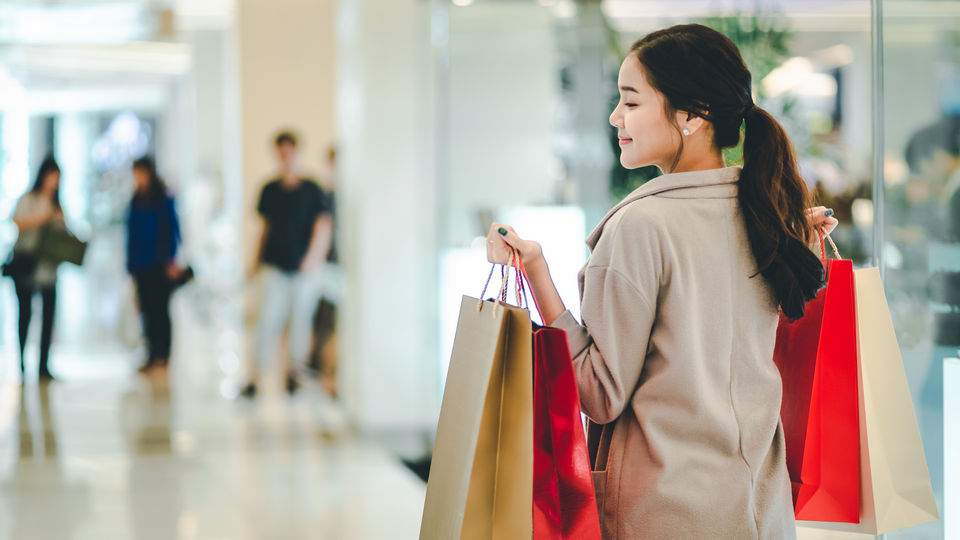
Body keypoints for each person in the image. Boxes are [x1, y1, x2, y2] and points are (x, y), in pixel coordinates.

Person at [487, 25, 838, 539]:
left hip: (663, 513)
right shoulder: (767, 216)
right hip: (760, 509)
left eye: (630, 101)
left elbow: (599, 393)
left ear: (692, 114)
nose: (615, 118)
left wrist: (537, 275)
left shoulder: (640, 227)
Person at [242, 131, 333, 398]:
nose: (286, 156)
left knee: (300, 321)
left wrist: (313, 258)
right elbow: (263, 229)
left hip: (304, 269)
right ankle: (255, 376)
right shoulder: (269, 190)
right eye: (281, 151)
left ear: (296, 152)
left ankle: (294, 373)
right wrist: (253, 262)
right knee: (268, 319)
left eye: (289, 151)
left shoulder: (311, 189)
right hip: (274, 265)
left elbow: (323, 226)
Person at [9, 156, 67, 382]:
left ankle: (44, 365)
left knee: (48, 317)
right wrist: (42, 218)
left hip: (49, 269)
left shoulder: (57, 205)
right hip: (26, 266)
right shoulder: (29, 199)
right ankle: (22, 362)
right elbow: (18, 221)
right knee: (25, 315)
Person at [126, 156, 184, 375]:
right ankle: (151, 355)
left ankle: (163, 355)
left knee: (161, 311)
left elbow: (173, 231)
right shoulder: (135, 200)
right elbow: (131, 236)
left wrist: (170, 260)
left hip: (159, 265)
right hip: (140, 265)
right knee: (147, 311)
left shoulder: (163, 199)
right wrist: (130, 266)